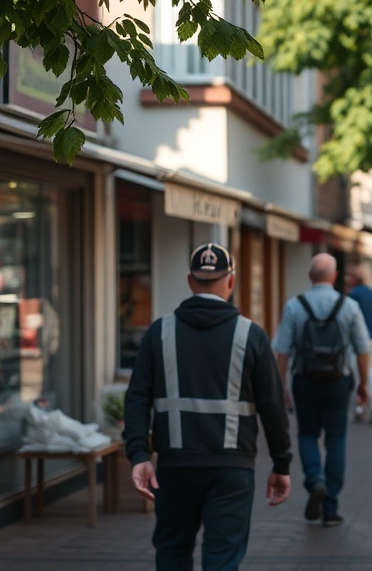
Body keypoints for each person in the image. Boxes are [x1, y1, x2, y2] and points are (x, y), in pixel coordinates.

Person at [124, 242, 292, 571]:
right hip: (232, 468)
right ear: (231, 281)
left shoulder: (160, 332)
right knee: (223, 557)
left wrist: (139, 455)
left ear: (190, 281)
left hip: (174, 467)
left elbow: (137, 397)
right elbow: (273, 405)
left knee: (172, 550)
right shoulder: (251, 335)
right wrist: (281, 464)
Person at [274, 253, 370, 527]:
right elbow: (363, 349)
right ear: (334, 276)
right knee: (336, 439)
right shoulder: (349, 306)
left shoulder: (294, 306)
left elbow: (282, 351)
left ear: (309, 276)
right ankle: (331, 508)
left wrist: (280, 386)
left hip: (305, 381)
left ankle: (315, 479)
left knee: (306, 433)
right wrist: (364, 383)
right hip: (339, 382)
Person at [346, 265, 372, 424]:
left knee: (359, 374)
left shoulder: (353, 295)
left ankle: (360, 408)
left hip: (359, 340)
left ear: (355, 279)